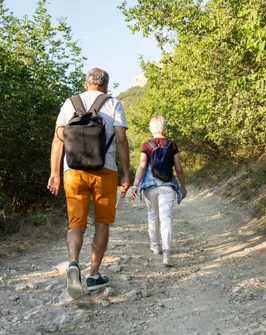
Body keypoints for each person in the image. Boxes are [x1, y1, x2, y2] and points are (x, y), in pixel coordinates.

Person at [47, 68, 130, 299]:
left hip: (73, 171)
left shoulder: (69, 103)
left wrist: (55, 173)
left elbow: (58, 139)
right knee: (102, 224)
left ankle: (73, 263)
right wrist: (126, 174)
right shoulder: (113, 104)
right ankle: (94, 275)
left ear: (86, 84)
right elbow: (121, 139)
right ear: (105, 85)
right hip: (105, 170)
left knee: (76, 224)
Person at [130, 116, 187, 267]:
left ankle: (155, 246)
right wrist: (183, 186)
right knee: (166, 217)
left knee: (153, 216)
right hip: (167, 186)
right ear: (164, 127)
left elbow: (142, 166)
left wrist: (135, 185)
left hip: (150, 186)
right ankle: (167, 252)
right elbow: (179, 168)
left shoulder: (146, 145)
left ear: (151, 128)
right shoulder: (171, 145)